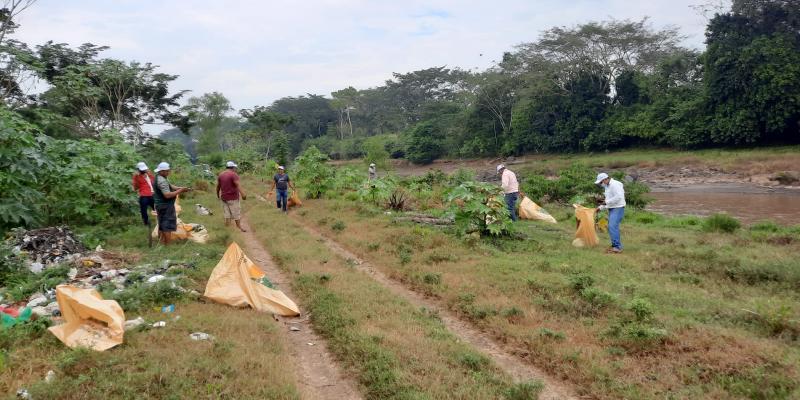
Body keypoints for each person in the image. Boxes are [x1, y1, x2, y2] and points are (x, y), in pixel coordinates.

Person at [152, 162, 190, 245]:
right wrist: (180, 191)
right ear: (162, 171)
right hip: (165, 205)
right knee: (167, 225)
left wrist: (181, 188)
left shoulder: (159, 177)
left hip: (160, 205)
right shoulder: (162, 181)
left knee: (161, 224)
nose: (168, 172)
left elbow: (170, 186)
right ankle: (168, 245)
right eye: (167, 171)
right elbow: (167, 195)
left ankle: (161, 242)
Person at [595, 172, 626, 254]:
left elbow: (619, 197)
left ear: (605, 179)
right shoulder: (607, 186)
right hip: (612, 208)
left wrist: (605, 203)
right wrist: (600, 208)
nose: (601, 184)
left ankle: (617, 247)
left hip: (618, 208)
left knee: (612, 226)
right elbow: (608, 201)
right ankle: (615, 246)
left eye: (601, 182)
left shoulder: (615, 184)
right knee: (612, 227)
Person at [216, 161, 247, 232]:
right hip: (233, 198)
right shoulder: (233, 174)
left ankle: (228, 229)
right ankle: (239, 227)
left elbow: (218, 186)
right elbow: (237, 185)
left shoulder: (221, 175)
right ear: (232, 167)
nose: (235, 169)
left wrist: (218, 195)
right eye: (235, 168)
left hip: (224, 198)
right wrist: (243, 194)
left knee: (227, 214)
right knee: (236, 213)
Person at [132, 162, 155, 226]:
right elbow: (135, 187)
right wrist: (136, 177)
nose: (143, 171)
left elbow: (154, 181)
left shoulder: (149, 174)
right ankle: (146, 222)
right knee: (143, 210)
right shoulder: (136, 176)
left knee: (156, 208)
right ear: (138, 170)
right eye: (141, 170)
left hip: (152, 194)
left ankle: (160, 219)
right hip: (144, 195)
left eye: (144, 169)